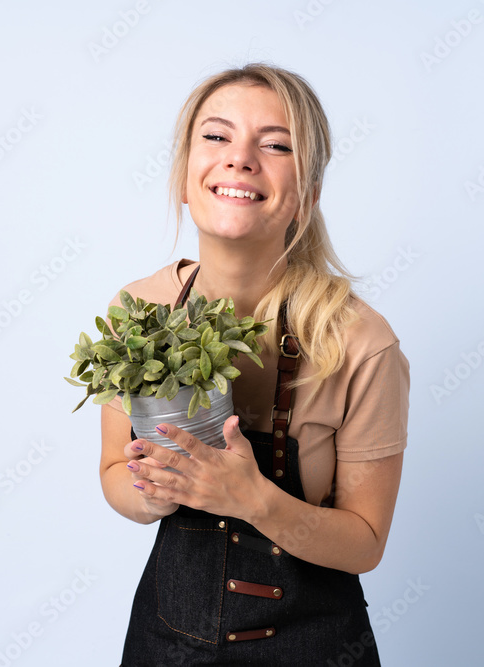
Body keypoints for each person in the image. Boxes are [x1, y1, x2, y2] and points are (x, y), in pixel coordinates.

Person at [99, 63, 410, 666]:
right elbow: (114, 472)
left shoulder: (359, 342)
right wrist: (155, 493)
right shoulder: (139, 313)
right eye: (217, 136)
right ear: (184, 176)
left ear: (309, 194)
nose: (239, 159)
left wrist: (253, 498)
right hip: (166, 644)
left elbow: (366, 542)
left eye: (276, 145)